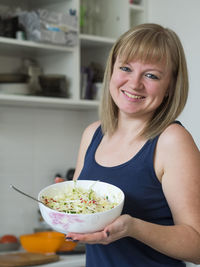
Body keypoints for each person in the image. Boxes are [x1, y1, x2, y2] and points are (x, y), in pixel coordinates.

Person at [66, 23, 200, 267]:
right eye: (125, 68)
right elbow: (85, 217)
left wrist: (133, 227)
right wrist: (65, 205)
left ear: (170, 86)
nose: (135, 83)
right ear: (112, 70)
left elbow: (197, 244)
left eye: (151, 75)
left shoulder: (172, 141)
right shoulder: (93, 134)